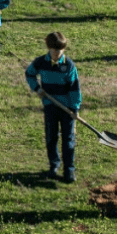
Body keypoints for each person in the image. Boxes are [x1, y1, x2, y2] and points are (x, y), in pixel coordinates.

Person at [28, 31, 81, 183]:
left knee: (68, 138)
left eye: (61, 50)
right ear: (49, 48)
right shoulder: (41, 62)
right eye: (55, 50)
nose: (58, 53)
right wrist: (37, 89)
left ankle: (69, 170)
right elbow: (30, 74)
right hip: (50, 105)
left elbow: (74, 88)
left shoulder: (68, 66)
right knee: (51, 136)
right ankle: (54, 166)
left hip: (67, 108)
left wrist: (74, 109)